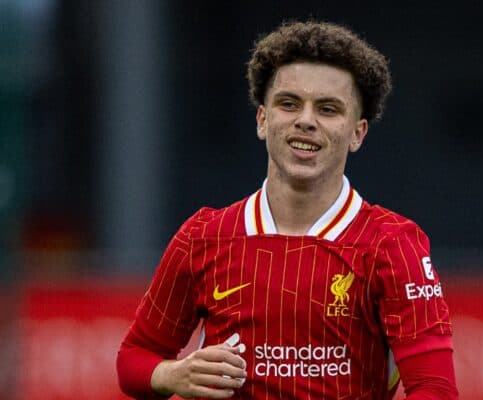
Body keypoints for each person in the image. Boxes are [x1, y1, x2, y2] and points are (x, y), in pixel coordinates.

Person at [117, 20, 458, 400]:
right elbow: (134, 358)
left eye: (328, 109)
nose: (306, 120)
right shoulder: (204, 237)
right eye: (289, 103)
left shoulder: (393, 245)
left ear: (358, 133)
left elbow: (435, 388)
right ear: (263, 119)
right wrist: (173, 374)